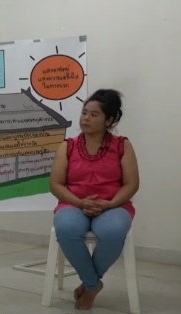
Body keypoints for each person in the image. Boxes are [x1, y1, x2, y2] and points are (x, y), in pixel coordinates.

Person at [49, 89, 139, 310]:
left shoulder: (122, 145)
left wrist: (110, 204)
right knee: (67, 227)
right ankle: (93, 284)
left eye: (94, 115)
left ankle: (88, 285)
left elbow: (131, 184)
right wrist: (79, 203)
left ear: (109, 120)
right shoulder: (67, 146)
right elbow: (56, 184)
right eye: (84, 113)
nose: (85, 118)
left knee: (114, 231)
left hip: (113, 204)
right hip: (73, 203)